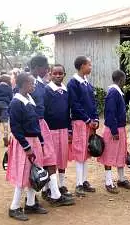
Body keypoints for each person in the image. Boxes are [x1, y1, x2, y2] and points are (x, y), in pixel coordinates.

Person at [30, 55, 74, 206]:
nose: (48, 71)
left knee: (50, 160)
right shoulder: (32, 84)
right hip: (39, 128)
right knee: (43, 161)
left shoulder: (41, 84)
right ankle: (44, 195)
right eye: (46, 68)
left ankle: (51, 192)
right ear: (38, 68)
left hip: (43, 127)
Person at [6, 72, 47, 221]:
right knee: (22, 176)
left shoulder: (29, 98)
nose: (34, 85)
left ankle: (30, 204)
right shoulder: (16, 102)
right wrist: (26, 146)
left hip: (33, 141)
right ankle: (14, 207)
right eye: (31, 83)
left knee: (33, 174)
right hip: (25, 143)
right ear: (23, 84)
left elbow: (35, 123)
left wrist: (40, 141)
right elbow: (16, 128)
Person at [67, 56, 99, 197]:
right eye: (89, 65)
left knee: (86, 153)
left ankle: (84, 181)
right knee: (80, 153)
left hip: (89, 122)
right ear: (82, 66)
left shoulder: (86, 83)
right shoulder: (73, 83)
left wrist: (96, 118)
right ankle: (79, 184)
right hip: (80, 122)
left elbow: (93, 103)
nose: (91, 67)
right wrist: (87, 119)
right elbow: (75, 105)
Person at [98, 69, 130, 194]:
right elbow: (110, 113)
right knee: (109, 154)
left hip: (120, 128)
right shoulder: (113, 92)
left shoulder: (118, 92)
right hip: (113, 129)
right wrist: (113, 130)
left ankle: (121, 178)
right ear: (121, 79)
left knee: (121, 153)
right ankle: (108, 182)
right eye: (124, 79)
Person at [44, 64, 72, 197]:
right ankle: (48, 188)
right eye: (55, 73)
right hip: (50, 130)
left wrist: (70, 130)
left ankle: (61, 185)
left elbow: (68, 112)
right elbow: (44, 112)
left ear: (64, 74)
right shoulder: (47, 90)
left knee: (62, 157)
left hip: (64, 129)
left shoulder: (66, 91)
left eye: (60, 73)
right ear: (50, 74)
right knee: (51, 159)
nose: (57, 76)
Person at [0, 74, 13, 146]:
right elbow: (11, 98)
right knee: (5, 121)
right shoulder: (9, 88)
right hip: (5, 105)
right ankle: (5, 135)